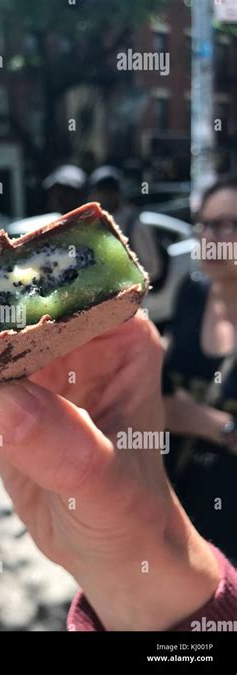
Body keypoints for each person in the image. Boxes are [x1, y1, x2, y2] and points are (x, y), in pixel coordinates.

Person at [0, 312, 237, 631]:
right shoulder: (191, 293)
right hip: (178, 482)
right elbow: (166, 394)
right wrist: (114, 575)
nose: (213, 258)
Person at [163, 178, 237, 564]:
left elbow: (184, 412)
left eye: (227, 225)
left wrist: (210, 424)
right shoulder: (191, 292)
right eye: (204, 224)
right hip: (172, 504)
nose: (210, 237)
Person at [88, 165, 162, 283]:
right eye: (97, 193)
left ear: (116, 193)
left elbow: (152, 269)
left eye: (105, 193)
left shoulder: (136, 224)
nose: (99, 198)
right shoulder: (94, 224)